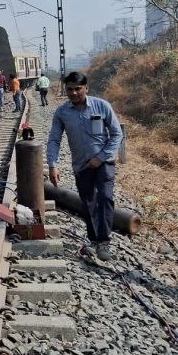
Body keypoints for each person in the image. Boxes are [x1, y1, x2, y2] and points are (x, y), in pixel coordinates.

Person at [47, 72, 123, 262]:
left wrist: (101, 157)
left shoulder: (101, 106)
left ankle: (104, 241)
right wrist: (52, 164)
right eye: (70, 89)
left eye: (78, 89)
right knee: (88, 202)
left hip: (104, 162)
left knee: (105, 198)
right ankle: (93, 239)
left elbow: (116, 134)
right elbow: (54, 139)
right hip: (81, 166)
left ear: (86, 88)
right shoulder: (62, 112)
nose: (73, 93)